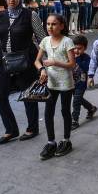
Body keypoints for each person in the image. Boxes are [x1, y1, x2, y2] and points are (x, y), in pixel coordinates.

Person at [0, 0, 46, 145]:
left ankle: (32, 128)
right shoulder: (0, 17)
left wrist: (42, 63)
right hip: (5, 62)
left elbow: (42, 40)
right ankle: (11, 130)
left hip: (27, 61)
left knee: (28, 96)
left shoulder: (31, 15)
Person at [35, 14, 76, 160]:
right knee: (48, 112)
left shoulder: (67, 42)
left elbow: (72, 64)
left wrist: (55, 62)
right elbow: (37, 61)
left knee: (65, 111)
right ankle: (51, 142)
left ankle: (66, 140)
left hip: (65, 82)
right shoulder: (45, 41)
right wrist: (42, 70)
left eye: (54, 24)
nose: (50, 27)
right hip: (51, 82)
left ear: (62, 26)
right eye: (48, 24)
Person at [70, 34, 97, 129]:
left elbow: (86, 68)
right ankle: (91, 108)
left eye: (79, 48)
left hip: (81, 84)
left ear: (85, 48)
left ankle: (74, 120)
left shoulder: (86, 58)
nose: (76, 51)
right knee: (79, 99)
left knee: (76, 101)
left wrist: (77, 58)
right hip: (71, 83)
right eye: (75, 48)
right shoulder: (70, 55)